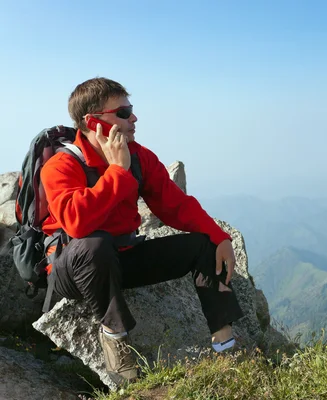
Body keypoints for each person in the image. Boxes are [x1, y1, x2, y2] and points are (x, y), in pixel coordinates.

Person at [39, 77, 244, 386]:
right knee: (96, 243)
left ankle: (226, 346)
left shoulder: (139, 156)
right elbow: (77, 223)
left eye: (131, 110)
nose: (133, 118)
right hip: (75, 269)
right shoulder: (60, 167)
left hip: (122, 257)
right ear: (93, 122)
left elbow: (175, 205)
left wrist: (219, 237)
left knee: (204, 246)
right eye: (123, 113)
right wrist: (117, 172)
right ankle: (116, 341)